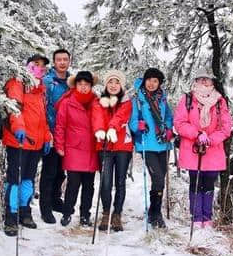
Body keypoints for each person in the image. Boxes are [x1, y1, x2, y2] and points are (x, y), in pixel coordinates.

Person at [174, 69, 233, 229]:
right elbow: (179, 122)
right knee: (195, 181)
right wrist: (197, 134)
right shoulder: (187, 99)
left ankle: (207, 218)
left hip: (212, 150)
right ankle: (196, 218)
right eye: (201, 79)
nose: (205, 82)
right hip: (194, 149)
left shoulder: (220, 101)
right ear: (196, 81)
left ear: (213, 82)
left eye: (208, 80)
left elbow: (226, 127)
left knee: (209, 183)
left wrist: (210, 139)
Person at [2, 54, 53, 237]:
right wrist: (18, 128)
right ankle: (11, 214)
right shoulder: (17, 83)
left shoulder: (41, 90)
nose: (40, 68)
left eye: (43, 66)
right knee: (14, 178)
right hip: (19, 141)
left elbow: (42, 118)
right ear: (28, 66)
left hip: (36, 143)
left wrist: (47, 137)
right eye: (36, 65)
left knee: (28, 179)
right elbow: (14, 109)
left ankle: (25, 211)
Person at [129, 68, 174, 229]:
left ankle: (154, 211)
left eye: (155, 81)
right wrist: (138, 126)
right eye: (149, 80)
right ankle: (156, 213)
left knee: (160, 181)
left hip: (163, 144)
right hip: (147, 145)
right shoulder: (137, 100)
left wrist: (169, 128)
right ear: (144, 80)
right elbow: (132, 121)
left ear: (159, 83)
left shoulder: (162, 99)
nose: (152, 83)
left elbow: (169, 116)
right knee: (158, 179)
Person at [54, 71, 99, 227]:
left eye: (87, 85)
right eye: (80, 84)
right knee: (73, 183)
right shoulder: (67, 102)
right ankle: (67, 213)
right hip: (74, 147)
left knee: (89, 185)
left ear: (91, 86)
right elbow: (60, 126)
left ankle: (85, 215)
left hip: (92, 148)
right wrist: (59, 145)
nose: (84, 87)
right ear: (76, 85)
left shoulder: (96, 101)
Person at [91, 70, 133, 232]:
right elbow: (97, 118)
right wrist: (101, 130)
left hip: (122, 145)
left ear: (121, 85)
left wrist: (113, 129)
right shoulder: (99, 101)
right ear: (106, 84)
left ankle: (117, 213)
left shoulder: (126, 101)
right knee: (106, 181)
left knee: (120, 181)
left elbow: (121, 117)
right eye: (110, 82)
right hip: (104, 146)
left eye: (116, 82)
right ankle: (106, 212)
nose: (113, 85)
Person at [39, 49, 71, 223]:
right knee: (49, 170)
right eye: (59, 59)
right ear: (54, 62)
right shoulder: (47, 82)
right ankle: (45, 207)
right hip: (50, 131)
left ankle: (55, 200)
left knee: (61, 170)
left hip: (67, 134)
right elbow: (42, 107)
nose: (62, 62)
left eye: (65, 59)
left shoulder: (72, 82)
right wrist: (46, 130)